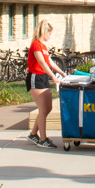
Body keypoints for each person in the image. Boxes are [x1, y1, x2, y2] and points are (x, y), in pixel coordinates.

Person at [26, 20, 67, 148]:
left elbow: (49, 61)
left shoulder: (43, 47)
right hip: (35, 78)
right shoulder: (36, 45)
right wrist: (54, 78)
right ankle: (43, 139)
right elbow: (42, 63)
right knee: (42, 110)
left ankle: (33, 134)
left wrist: (61, 72)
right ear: (44, 32)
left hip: (43, 77)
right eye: (49, 33)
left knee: (47, 108)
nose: (50, 36)